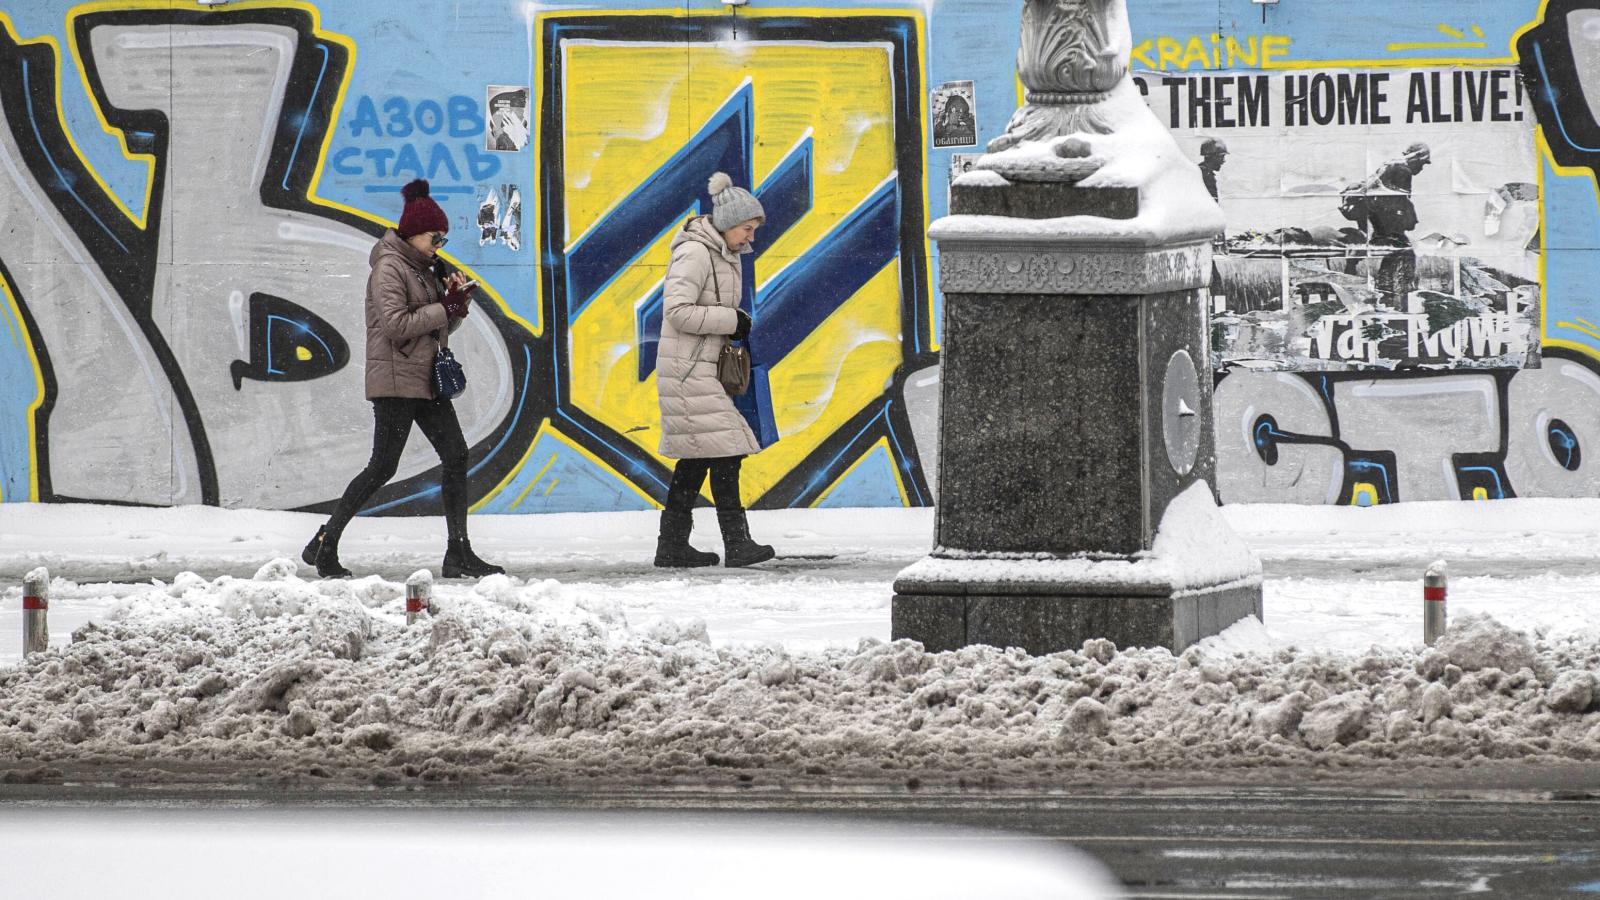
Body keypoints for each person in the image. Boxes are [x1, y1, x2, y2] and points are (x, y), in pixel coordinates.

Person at [302, 179, 504, 579]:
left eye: (442, 240)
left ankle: (458, 552)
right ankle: (326, 543)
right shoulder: (389, 268)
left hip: (425, 381)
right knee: (382, 467)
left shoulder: (423, 268)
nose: (438, 247)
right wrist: (443, 308)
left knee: (456, 456)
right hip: (395, 383)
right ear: (413, 233)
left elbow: (434, 329)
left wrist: (457, 306)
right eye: (435, 238)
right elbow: (396, 326)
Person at [652, 172, 775, 569]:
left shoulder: (724, 254)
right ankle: (736, 544)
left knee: (698, 459)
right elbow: (676, 312)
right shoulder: (696, 252)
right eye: (747, 229)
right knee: (726, 451)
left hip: (701, 367)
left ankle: (672, 546)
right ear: (726, 223)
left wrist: (731, 324)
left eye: (753, 230)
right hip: (688, 370)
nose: (750, 238)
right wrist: (731, 320)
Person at [1340, 142, 1431, 305]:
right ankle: (1397, 298)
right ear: (1416, 158)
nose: (1422, 168)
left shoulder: (1389, 165)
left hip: (1376, 224)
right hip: (1385, 225)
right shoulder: (1403, 170)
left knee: (1394, 254)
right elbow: (1400, 202)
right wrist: (1409, 220)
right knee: (1405, 253)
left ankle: (1385, 293)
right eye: (1422, 163)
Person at [1199, 137, 1228, 202]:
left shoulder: (1201, 172)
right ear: (1213, 156)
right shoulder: (1206, 176)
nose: (1223, 161)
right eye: (1221, 157)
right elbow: (1212, 204)